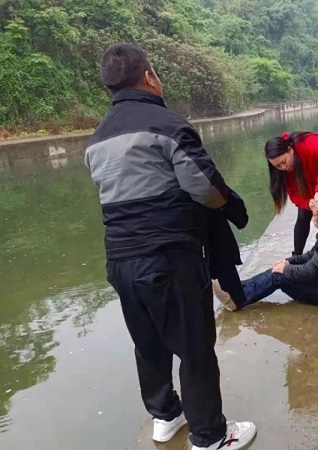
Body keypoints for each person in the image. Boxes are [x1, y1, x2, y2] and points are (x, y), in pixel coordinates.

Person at [84, 43, 256, 450]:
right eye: (157, 74)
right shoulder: (166, 123)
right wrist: (232, 206)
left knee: (148, 342)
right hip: (168, 257)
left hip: (120, 262)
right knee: (195, 346)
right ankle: (211, 436)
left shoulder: (96, 138)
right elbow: (207, 190)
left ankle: (166, 416)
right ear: (149, 77)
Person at [214, 195, 318, 311]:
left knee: (279, 276)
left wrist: (285, 270)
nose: (312, 219)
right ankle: (239, 289)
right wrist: (288, 261)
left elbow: (308, 271)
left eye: (315, 215)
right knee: (280, 267)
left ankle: (238, 301)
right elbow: (310, 255)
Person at [265, 131, 318, 256]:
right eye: (277, 166)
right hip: (308, 185)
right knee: (303, 216)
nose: (283, 167)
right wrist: (307, 203)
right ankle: (296, 255)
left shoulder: (309, 142)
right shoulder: (282, 169)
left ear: (290, 150)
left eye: (284, 161)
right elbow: (293, 194)